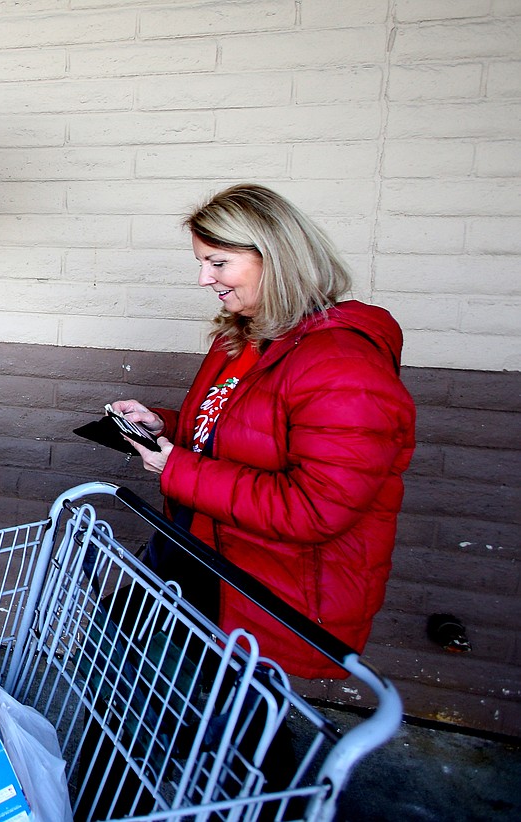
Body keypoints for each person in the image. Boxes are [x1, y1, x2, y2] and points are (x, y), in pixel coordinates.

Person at [109, 183, 415, 680]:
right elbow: (238, 433)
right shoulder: (245, 338)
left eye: (218, 263)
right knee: (147, 687)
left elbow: (315, 507)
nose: (204, 279)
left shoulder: (342, 365)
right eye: (201, 263)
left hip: (258, 587)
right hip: (205, 551)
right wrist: (165, 426)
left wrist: (176, 466)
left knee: (215, 719)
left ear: (274, 257)